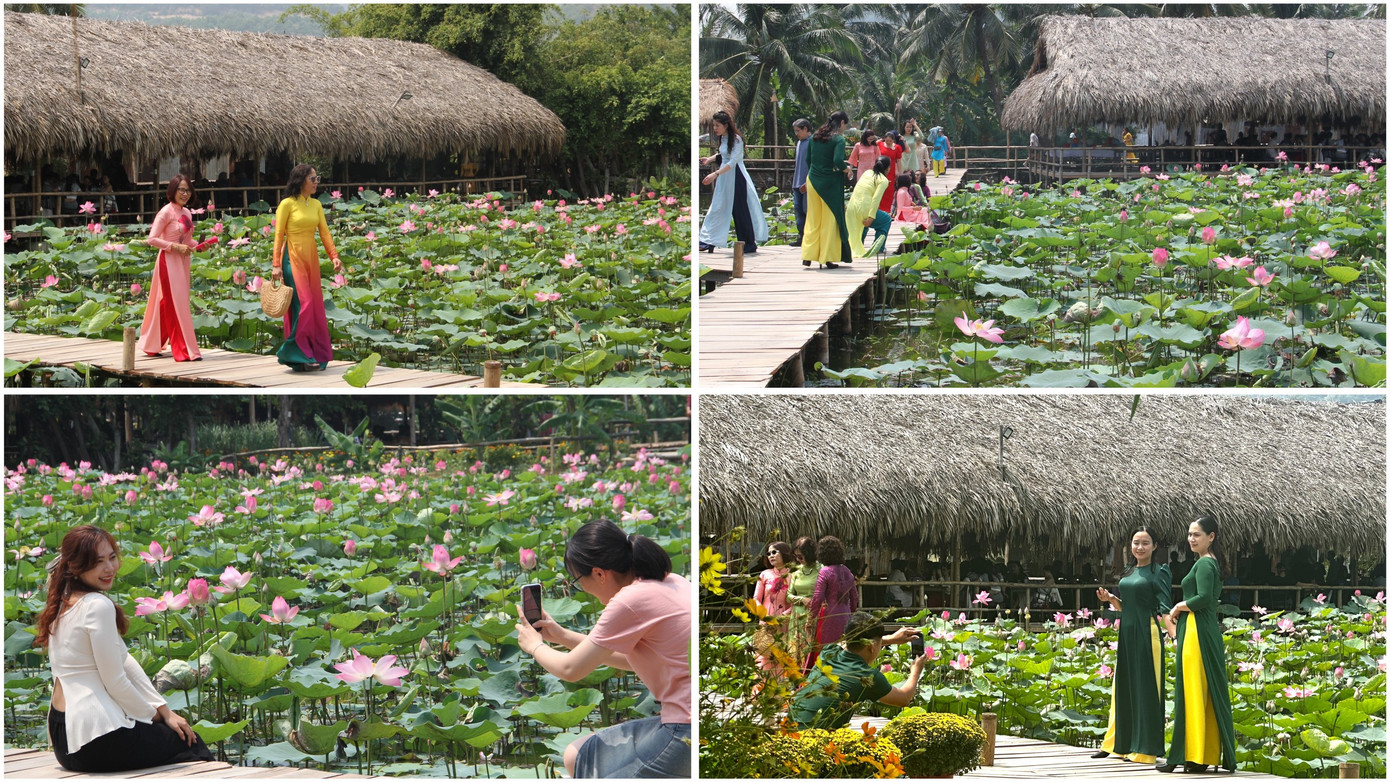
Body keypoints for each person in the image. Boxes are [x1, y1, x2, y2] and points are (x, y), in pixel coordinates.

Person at [515, 520, 690, 778]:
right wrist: (561, 636)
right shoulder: (672, 581)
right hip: (688, 721)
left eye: (577, 581)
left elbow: (570, 669)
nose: (581, 589)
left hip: (682, 729)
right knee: (577, 753)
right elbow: (634, 660)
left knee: (589, 762)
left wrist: (535, 646)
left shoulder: (629, 600)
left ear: (599, 573)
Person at [35, 525, 213, 772]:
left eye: (112, 558)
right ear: (76, 567)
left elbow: (125, 661)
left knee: (170, 731)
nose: (109, 568)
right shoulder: (97, 605)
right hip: (95, 741)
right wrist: (155, 718)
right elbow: (115, 681)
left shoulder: (62, 602)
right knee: (192, 744)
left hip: (64, 740)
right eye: (98, 562)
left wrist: (163, 709)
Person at [1159, 517, 1236, 773]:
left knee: (1193, 690)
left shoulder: (1205, 563)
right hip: (1201, 629)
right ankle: (1198, 754)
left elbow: (1203, 598)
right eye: (1190, 534)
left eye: (1197, 535)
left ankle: (1194, 755)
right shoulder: (1209, 562)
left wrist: (1179, 606)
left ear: (1211, 537)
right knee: (1200, 691)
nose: (1192, 539)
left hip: (1197, 631)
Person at [1093, 526, 1173, 765]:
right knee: (1123, 688)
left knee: (1146, 689)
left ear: (1155, 546)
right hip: (1127, 632)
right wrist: (1111, 600)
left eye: (1145, 543)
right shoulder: (1129, 570)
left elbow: (1166, 607)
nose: (1139, 547)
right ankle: (1118, 745)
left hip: (1147, 633)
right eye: (1136, 542)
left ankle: (1144, 749)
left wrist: (1175, 635)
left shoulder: (1159, 572)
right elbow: (1126, 606)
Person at [789, 612, 927, 729]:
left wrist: (889, 639)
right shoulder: (866, 676)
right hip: (814, 743)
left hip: (788, 730)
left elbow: (844, 644)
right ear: (872, 647)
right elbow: (903, 698)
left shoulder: (829, 651)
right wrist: (916, 671)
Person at [271, 164, 343, 372]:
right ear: (301, 180)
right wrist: (276, 265)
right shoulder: (287, 204)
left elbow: (325, 233)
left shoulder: (316, 205)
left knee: (315, 306)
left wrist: (334, 256)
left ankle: (307, 354)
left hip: (311, 257)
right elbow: (278, 235)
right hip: (291, 256)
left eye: (317, 178)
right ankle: (297, 351)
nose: (316, 182)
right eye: (313, 179)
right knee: (305, 303)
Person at [137, 175, 205, 362]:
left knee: (172, 302)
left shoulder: (187, 213)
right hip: (168, 260)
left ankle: (151, 345)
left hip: (182, 262)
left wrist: (199, 246)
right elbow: (152, 239)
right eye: (181, 190)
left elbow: (187, 241)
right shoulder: (166, 212)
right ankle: (183, 350)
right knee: (176, 303)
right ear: (173, 191)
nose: (184, 194)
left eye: (188, 190)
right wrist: (173, 247)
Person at [698, 111, 768, 255]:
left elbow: (733, 161)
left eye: (717, 125)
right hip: (725, 178)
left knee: (740, 211)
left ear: (725, 125)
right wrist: (709, 159)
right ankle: (708, 241)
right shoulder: (724, 138)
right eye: (714, 125)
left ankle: (748, 243)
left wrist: (715, 174)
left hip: (736, 177)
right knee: (717, 206)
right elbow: (723, 154)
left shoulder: (737, 139)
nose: (715, 128)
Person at [801, 111, 852, 269]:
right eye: (845, 124)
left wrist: (815, 174)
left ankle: (808, 255)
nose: (845, 128)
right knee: (830, 221)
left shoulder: (815, 136)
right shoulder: (838, 139)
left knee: (813, 219)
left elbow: (808, 159)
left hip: (813, 181)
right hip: (829, 183)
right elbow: (837, 160)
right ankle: (827, 257)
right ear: (842, 122)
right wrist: (846, 169)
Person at [805, 535, 858, 670]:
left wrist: (810, 619)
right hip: (845, 616)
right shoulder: (847, 571)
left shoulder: (825, 571)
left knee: (826, 652)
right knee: (843, 650)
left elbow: (817, 598)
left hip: (829, 617)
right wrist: (851, 614)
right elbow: (855, 597)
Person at [752, 541, 794, 675]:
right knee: (764, 656)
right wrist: (764, 616)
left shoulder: (794, 575)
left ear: (785, 553)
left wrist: (782, 617)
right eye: (769, 553)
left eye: (775, 552)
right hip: (765, 621)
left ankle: (780, 693)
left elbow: (795, 601)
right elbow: (756, 599)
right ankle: (760, 692)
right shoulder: (764, 574)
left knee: (782, 657)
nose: (771, 556)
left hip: (784, 623)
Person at [785, 536, 822, 670]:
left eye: (800, 556)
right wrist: (802, 599)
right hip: (797, 616)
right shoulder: (796, 571)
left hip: (815, 615)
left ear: (809, 554)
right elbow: (788, 596)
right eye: (796, 557)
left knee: (812, 649)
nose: (798, 560)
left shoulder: (822, 569)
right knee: (796, 651)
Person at [845, 157, 892, 259]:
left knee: (863, 223)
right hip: (864, 209)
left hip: (851, 208)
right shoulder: (883, 180)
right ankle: (878, 247)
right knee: (886, 219)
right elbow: (876, 199)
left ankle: (859, 244)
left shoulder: (867, 173)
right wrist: (871, 217)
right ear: (888, 169)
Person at [790, 118, 813, 247]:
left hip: (807, 183)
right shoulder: (799, 143)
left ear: (805, 129)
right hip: (797, 182)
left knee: (807, 210)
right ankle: (801, 236)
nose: (796, 134)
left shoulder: (812, 142)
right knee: (798, 210)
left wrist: (808, 181)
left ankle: (809, 237)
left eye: (798, 131)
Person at [876, 131, 904, 213]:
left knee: (889, 189)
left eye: (890, 141)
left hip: (891, 169)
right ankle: (879, 209)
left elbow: (898, 161)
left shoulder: (897, 147)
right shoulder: (880, 145)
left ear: (893, 141)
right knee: (881, 188)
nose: (888, 142)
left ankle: (888, 210)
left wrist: (899, 171)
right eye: (886, 140)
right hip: (881, 168)